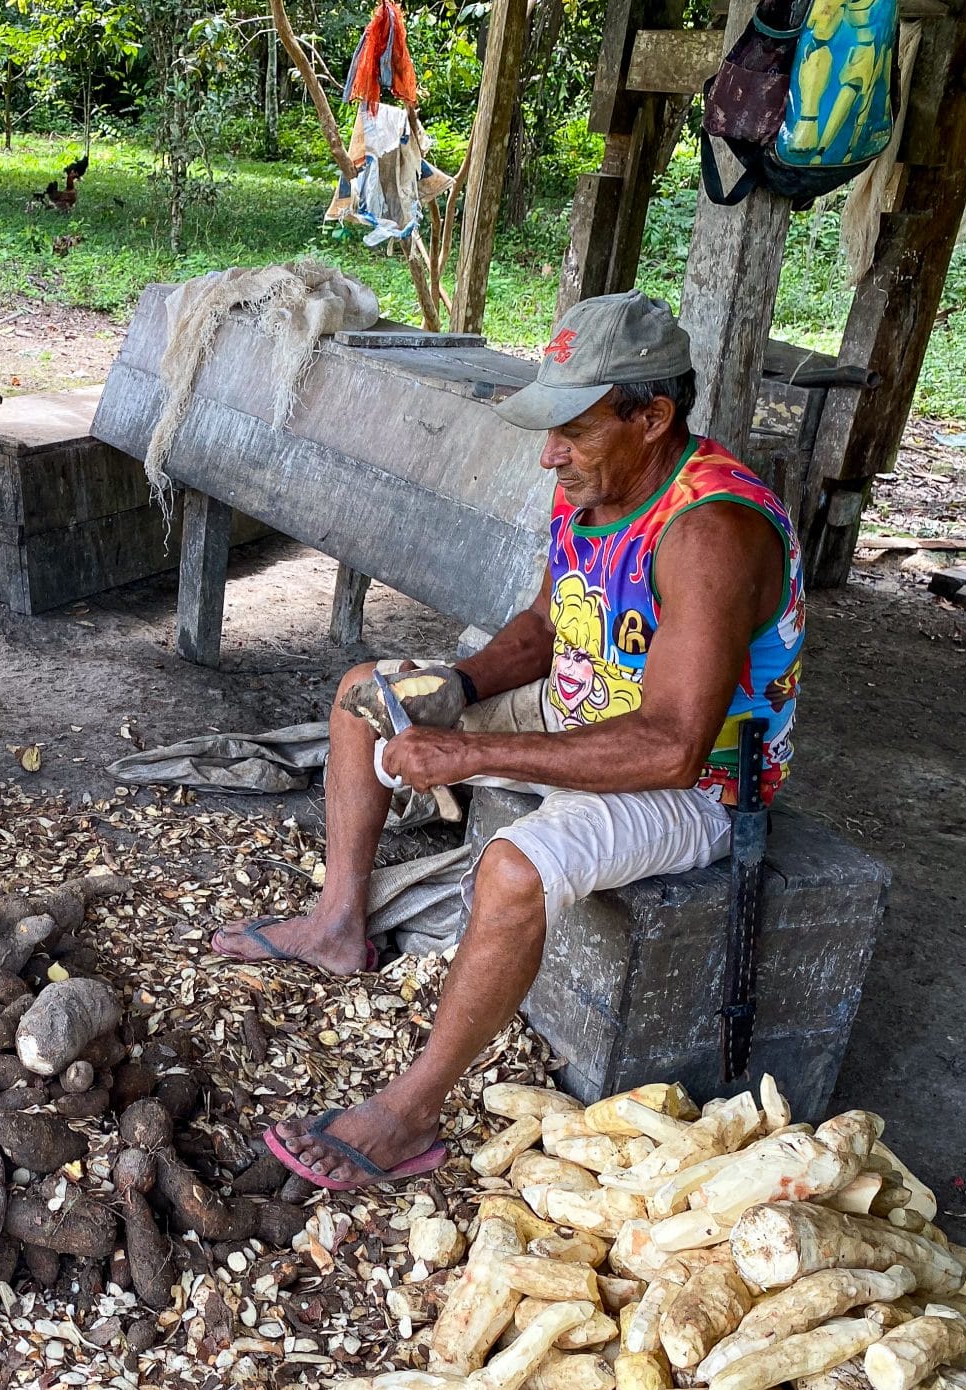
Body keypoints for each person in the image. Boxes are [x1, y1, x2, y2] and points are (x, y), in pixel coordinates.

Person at [212, 290, 806, 1191]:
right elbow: (546, 623)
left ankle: (410, 1115)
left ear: (653, 417)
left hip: (705, 789)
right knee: (362, 695)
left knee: (513, 868)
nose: (549, 453)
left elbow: (673, 745)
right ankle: (339, 926)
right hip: (585, 713)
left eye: (573, 427)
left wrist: (470, 754)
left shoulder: (709, 529)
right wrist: (457, 692)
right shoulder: (600, 486)